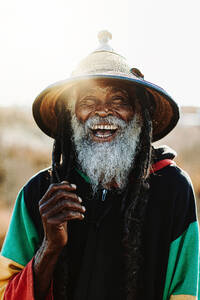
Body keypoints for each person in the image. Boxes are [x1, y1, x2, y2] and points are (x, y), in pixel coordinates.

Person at [0, 31, 199, 300]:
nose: (103, 111)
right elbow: (6, 293)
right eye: (87, 101)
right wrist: (49, 248)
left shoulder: (172, 188)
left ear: (140, 114)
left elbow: (185, 293)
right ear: (70, 115)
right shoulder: (39, 194)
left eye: (118, 100)